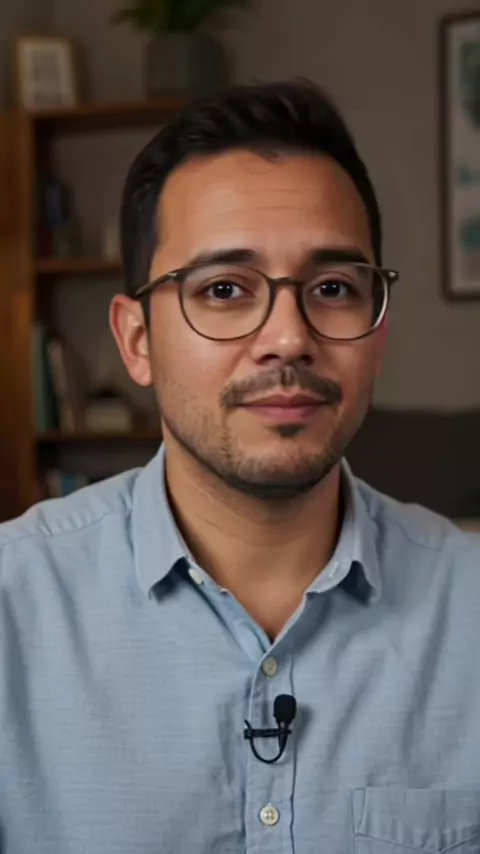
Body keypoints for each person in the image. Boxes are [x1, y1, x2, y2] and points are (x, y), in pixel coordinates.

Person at [1, 79, 480, 854]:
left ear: (377, 332)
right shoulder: (14, 610)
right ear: (136, 340)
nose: (288, 338)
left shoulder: (469, 608)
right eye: (224, 289)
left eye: (333, 288)